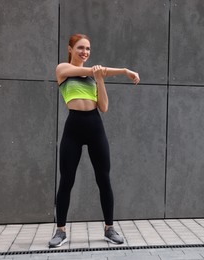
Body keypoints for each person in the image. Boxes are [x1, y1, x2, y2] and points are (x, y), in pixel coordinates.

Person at [49, 33, 140, 248]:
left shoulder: (93, 76)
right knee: (66, 180)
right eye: (80, 48)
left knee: (103, 179)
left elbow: (104, 107)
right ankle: (60, 231)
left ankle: (110, 228)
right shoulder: (63, 69)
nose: (85, 52)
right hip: (73, 127)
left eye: (88, 49)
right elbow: (89, 69)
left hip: (95, 126)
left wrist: (100, 79)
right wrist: (125, 71)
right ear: (70, 49)